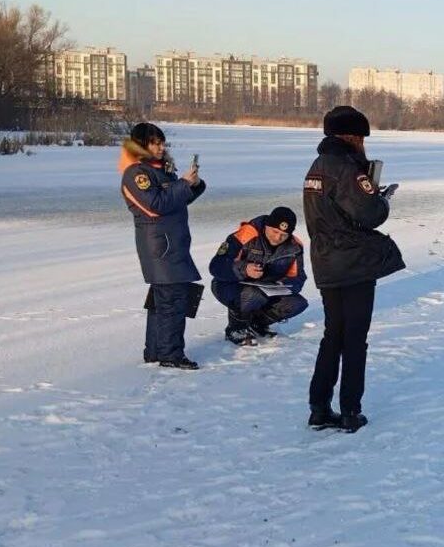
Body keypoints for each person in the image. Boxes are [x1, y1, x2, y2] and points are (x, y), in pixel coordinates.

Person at [303, 106, 405, 433]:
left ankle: (319, 407)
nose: (364, 143)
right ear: (353, 137)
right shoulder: (346, 169)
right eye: (362, 137)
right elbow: (370, 214)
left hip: (325, 260)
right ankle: (350, 410)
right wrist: (381, 198)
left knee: (333, 334)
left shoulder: (317, 167)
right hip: (353, 262)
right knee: (355, 338)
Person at [119, 122, 206, 370]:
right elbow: (155, 204)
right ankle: (171, 354)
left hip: (173, 245)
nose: (160, 147)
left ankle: (156, 351)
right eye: (154, 143)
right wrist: (182, 184)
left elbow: (176, 201)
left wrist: (193, 184)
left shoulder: (161, 170)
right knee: (172, 302)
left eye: (162, 142)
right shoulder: (136, 174)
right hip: (161, 248)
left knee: (162, 302)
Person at [208, 206, 308, 346]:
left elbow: (298, 278)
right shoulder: (246, 234)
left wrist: (282, 285)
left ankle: (257, 325)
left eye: (284, 235)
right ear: (267, 225)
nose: (278, 237)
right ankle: (236, 329)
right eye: (275, 231)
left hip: (266, 290)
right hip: (227, 286)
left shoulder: (295, 246)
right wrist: (244, 269)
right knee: (253, 295)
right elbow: (216, 267)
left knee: (297, 303)